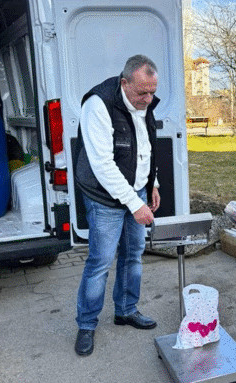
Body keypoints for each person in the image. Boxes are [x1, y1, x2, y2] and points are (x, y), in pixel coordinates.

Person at [73, 55, 161, 356]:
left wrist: (153, 184)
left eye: (152, 91)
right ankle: (86, 324)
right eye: (142, 93)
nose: (148, 99)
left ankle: (125, 310)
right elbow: (102, 164)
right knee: (100, 260)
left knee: (133, 254)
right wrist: (135, 204)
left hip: (134, 188)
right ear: (125, 83)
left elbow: (146, 147)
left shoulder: (143, 103)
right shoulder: (97, 105)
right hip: (103, 194)